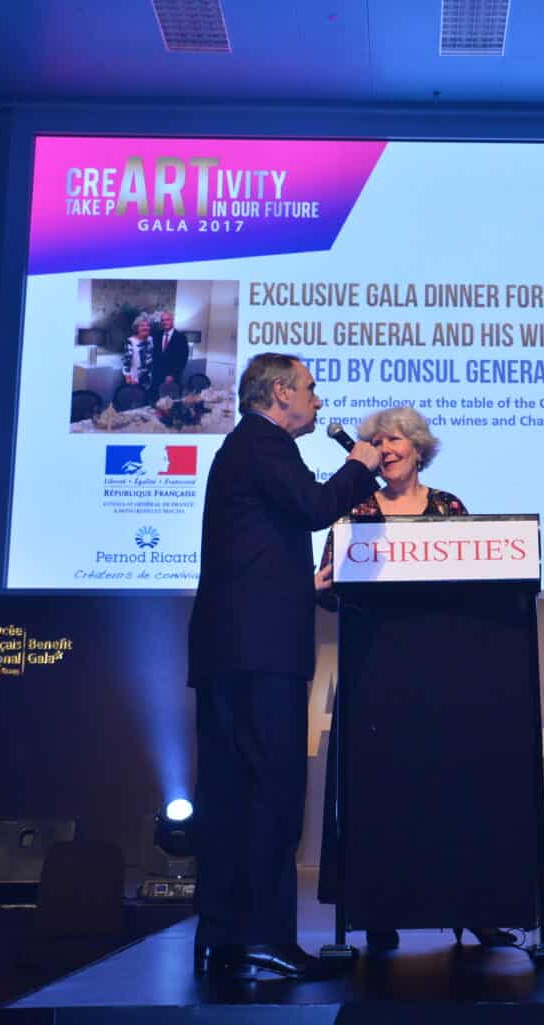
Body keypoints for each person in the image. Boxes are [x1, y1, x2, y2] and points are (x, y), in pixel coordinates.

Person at [188, 353, 382, 980]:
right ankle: (266, 939)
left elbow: (257, 550)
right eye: (310, 389)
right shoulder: (265, 444)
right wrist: (360, 466)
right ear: (280, 393)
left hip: (231, 650)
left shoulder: (245, 447)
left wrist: (305, 585)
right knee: (272, 793)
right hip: (261, 654)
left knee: (230, 795)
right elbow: (315, 506)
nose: (318, 401)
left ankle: (222, 938)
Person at [311, 406, 516, 951]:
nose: (385, 448)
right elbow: (331, 591)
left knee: (456, 790)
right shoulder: (354, 509)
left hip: (445, 672)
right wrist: (320, 589)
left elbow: (477, 581)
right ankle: (378, 909)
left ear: (419, 449)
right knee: (378, 791)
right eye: (376, 442)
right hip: (374, 671)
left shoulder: (449, 507)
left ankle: (473, 908)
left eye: (395, 440)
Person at [152, 310, 189, 397]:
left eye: (167, 320)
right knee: (156, 401)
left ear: (172, 320)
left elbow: (183, 359)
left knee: (171, 402)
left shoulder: (181, 337)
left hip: (172, 378)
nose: (165, 322)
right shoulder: (157, 335)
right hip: (157, 377)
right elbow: (155, 356)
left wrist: (173, 375)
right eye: (163, 320)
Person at [122, 316, 154, 392]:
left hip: (150, 379)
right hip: (135, 380)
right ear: (137, 328)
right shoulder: (130, 341)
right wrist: (128, 378)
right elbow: (126, 362)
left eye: (147, 325)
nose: (145, 327)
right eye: (142, 325)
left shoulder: (151, 340)